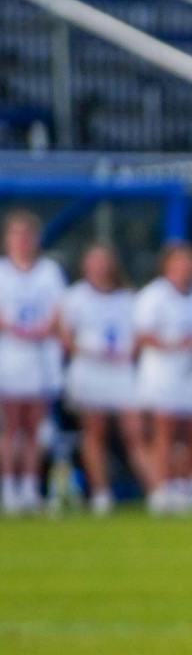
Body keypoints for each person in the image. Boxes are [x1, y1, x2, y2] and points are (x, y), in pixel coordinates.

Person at [59, 242, 144, 513]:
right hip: (89, 370)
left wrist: (126, 353)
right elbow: (65, 335)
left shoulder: (127, 297)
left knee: (134, 430)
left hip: (120, 371)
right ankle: (100, 493)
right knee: (94, 431)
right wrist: (89, 352)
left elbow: (138, 335)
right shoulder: (75, 297)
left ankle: (157, 489)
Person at [132, 242, 192, 513]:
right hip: (162, 374)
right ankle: (161, 488)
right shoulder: (154, 296)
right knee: (164, 431)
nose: (184, 268)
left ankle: (185, 486)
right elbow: (142, 334)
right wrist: (175, 344)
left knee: (190, 434)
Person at [0, 210, 65, 515]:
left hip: (39, 356)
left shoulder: (48, 272)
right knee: (10, 425)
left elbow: (57, 311)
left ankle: (29, 485)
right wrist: (15, 328)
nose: (23, 241)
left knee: (33, 425)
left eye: (28, 235)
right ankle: (9, 486)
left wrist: (42, 328)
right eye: (17, 235)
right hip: (10, 354)